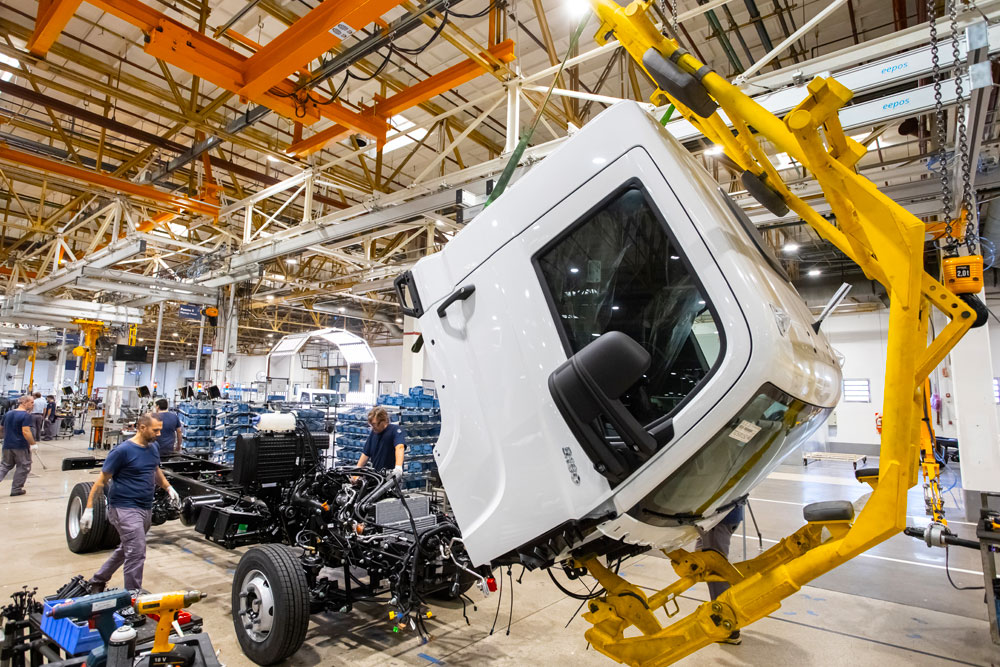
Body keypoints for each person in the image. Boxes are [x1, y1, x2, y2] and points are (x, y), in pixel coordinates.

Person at [82, 413, 180, 593]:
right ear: (142, 428)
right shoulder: (122, 451)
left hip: (145, 508)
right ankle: (132, 594)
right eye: (155, 430)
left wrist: (168, 487)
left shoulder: (153, 447)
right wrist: (89, 509)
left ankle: (97, 580)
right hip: (124, 507)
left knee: (128, 547)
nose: (159, 434)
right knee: (137, 551)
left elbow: (154, 470)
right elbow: (101, 481)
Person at [696, 503, 745, 645]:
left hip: (718, 519)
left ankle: (728, 628)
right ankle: (726, 617)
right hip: (726, 516)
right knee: (702, 557)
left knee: (716, 571)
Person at [0, 396, 38, 496]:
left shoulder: (8, 413)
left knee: (5, 466)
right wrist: (33, 444)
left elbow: (1, 428)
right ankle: (16, 489)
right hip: (20, 445)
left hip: (7, 445)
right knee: (23, 466)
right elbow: (26, 431)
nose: (33, 405)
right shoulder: (26, 415)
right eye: (31, 402)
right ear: (24, 402)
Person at [355, 406, 405, 479]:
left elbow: (400, 447)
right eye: (371, 425)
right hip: (376, 477)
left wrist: (398, 468)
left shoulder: (395, 430)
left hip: (391, 478)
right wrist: (356, 472)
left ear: (383, 421)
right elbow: (365, 454)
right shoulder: (373, 433)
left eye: (374, 424)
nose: (372, 428)